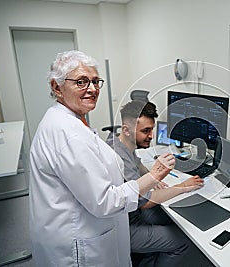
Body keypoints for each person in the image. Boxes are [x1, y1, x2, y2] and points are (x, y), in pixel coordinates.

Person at [29, 50, 175, 266]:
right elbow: (105, 201)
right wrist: (154, 176)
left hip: (81, 226)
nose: (92, 89)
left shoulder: (70, 121)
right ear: (56, 87)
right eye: (81, 82)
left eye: (96, 82)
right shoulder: (69, 134)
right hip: (78, 245)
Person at [106, 100, 204, 267]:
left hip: (130, 215)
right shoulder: (119, 159)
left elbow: (137, 163)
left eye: (151, 129)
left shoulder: (119, 142)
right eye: (146, 131)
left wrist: (151, 178)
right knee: (185, 240)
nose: (151, 135)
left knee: (175, 218)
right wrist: (183, 186)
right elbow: (145, 202)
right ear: (126, 130)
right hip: (125, 228)